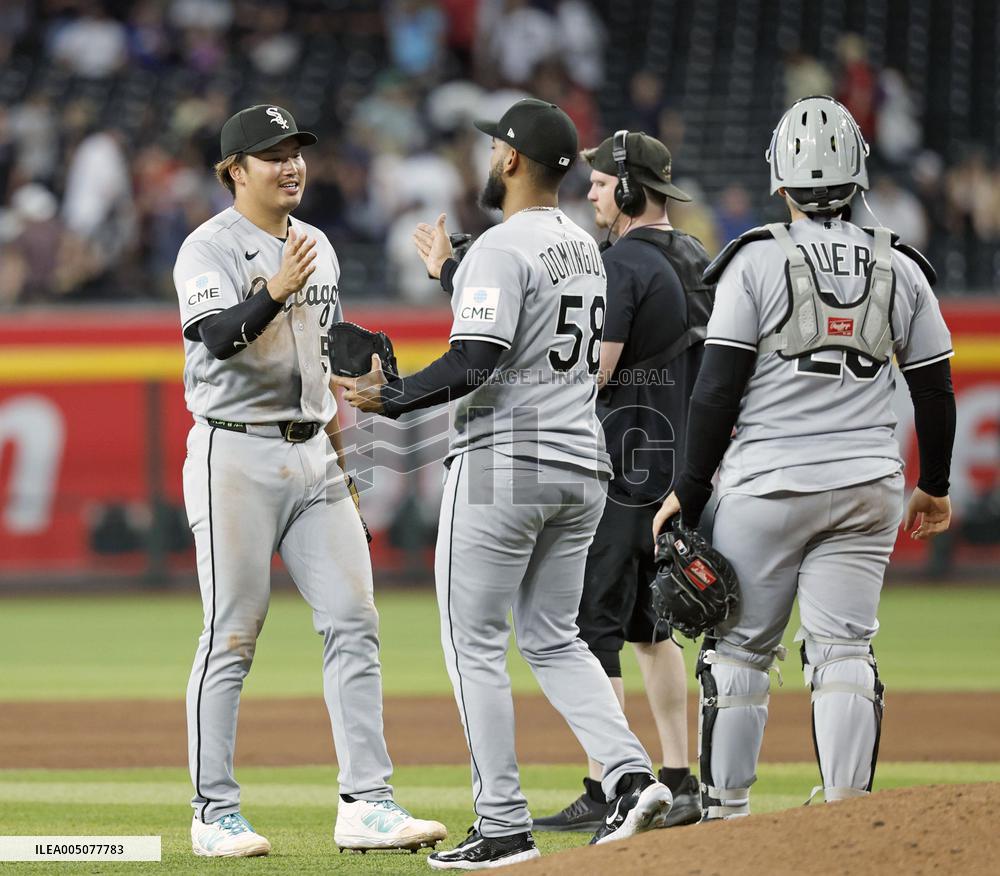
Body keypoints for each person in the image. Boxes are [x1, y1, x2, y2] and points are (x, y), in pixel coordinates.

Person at [333, 97, 672, 870]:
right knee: (553, 638)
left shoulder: (499, 245)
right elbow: (522, 322)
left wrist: (395, 396)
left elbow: (479, 357)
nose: (489, 157)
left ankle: (502, 824)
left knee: (473, 644)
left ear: (513, 160)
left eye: (495, 148)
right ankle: (628, 777)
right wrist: (453, 269)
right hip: (581, 466)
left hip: (504, 465)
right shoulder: (585, 247)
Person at [652, 96, 955, 819]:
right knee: (845, 651)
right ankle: (847, 815)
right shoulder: (902, 264)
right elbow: (935, 392)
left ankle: (728, 815)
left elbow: (715, 391)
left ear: (778, 180)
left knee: (741, 655)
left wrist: (686, 492)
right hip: (866, 486)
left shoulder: (755, 258)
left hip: (766, 484)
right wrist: (935, 485)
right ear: (859, 178)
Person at [173, 104, 446, 858]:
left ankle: (367, 801)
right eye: (271, 154)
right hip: (236, 453)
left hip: (312, 451)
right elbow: (219, 338)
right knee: (232, 634)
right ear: (234, 170)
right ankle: (213, 814)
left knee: (355, 622)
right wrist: (274, 289)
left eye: (295, 150)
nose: (291, 164)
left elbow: (320, 352)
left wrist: (347, 455)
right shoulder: (206, 248)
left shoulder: (317, 244)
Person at [532, 130, 709, 834]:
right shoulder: (698, 256)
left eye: (603, 184)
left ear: (632, 190)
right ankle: (678, 777)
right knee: (652, 628)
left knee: (590, 631)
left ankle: (612, 785)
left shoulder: (623, 263)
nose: (594, 194)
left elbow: (593, 370)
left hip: (621, 462)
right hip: (677, 470)